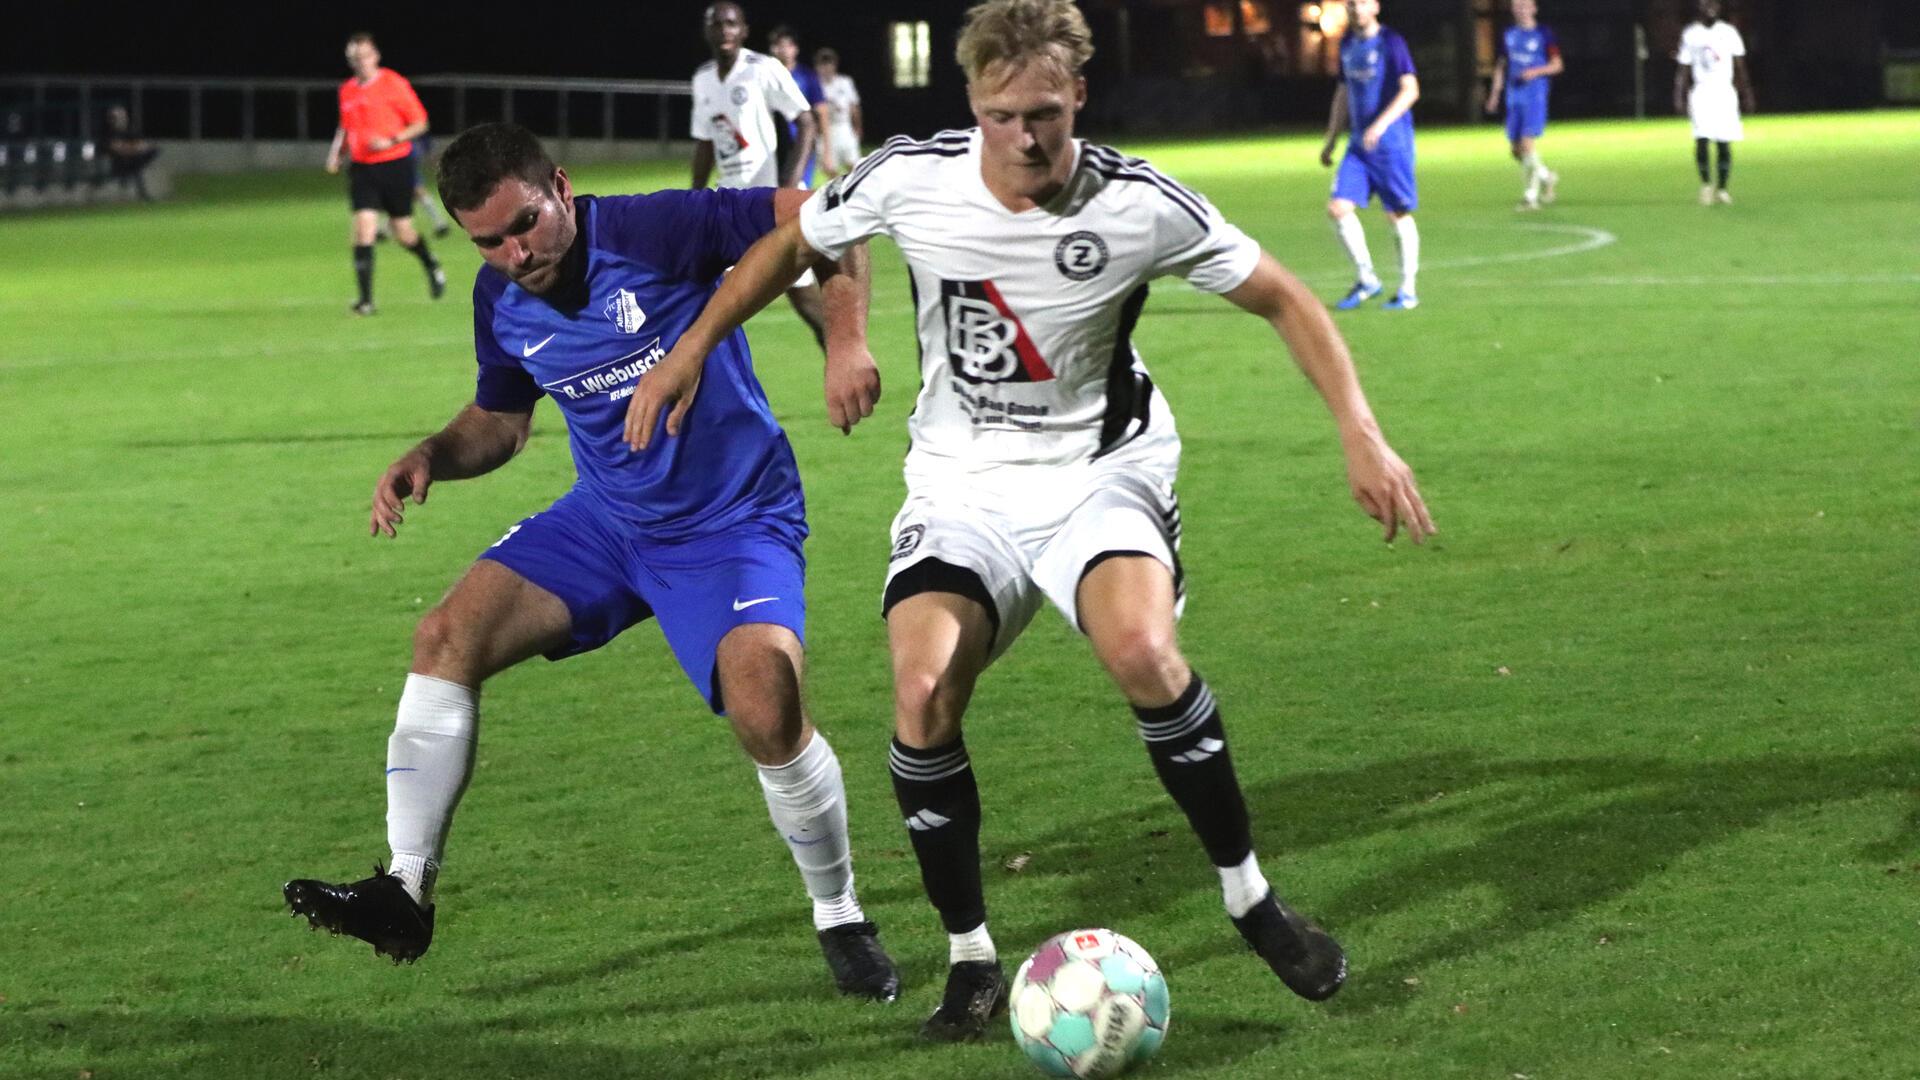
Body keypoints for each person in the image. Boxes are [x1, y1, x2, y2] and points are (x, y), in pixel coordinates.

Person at [625, 0, 1436, 1042]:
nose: (1029, 136)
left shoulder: (1139, 202)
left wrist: (1361, 433)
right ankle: (970, 958)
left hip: (1100, 471)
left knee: (1144, 651)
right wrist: (702, 350)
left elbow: (1284, 295)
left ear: (1077, 97)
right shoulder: (910, 176)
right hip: (961, 483)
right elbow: (794, 243)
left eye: (1048, 111)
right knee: (919, 693)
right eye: (1006, 114)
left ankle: (1251, 900)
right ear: (975, 106)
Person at [281, 122, 901, 1004]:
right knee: (445, 635)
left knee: (767, 706)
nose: (513, 252)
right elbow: (502, 420)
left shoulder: (654, 230)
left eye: (525, 223)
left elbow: (826, 217)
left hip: (732, 521)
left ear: (562, 187)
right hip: (608, 522)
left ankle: (840, 915)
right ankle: (406, 889)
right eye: (487, 241)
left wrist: (845, 342)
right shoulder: (501, 297)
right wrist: (431, 453)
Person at [690, 3, 828, 348]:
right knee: (705, 297)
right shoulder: (703, 79)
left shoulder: (762, 69)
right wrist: (692, 198)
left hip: (766, 202)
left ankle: (849, 370)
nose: (724, 30)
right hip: (727, 203)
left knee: (807, 301)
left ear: (744, 31)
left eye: (732, 24)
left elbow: (806, 122)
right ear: (707, 32)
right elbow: (705, 144)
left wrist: (787, 187)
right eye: (717, 24)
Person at [327, 31, 445, 316]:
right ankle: (366, 301)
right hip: (362, 168)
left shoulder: (394, 84)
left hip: (395, 164)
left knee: (403, 233)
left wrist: (392, 140)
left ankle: (430, 263)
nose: (361, 62)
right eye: (355, 58)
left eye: (365, 56)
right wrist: (335, 153)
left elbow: (420, 123)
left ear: (376, 56)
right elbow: (345, 126)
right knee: (364, 230)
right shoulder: (347, 90)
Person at [1319, 0, 1422, 311]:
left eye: (1361, 3)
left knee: (1397, 214)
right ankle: (1367, 280)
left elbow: (1410, 89)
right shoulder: (1347, 43)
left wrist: (1381, 124)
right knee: (1338, 208)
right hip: (1358, 148)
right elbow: (1343, 93)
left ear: (1375, 7)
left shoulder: (1392, 42)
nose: (1355, 9)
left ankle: (1408, 290)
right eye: (1350, 4)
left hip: (1392, 146)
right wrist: (1331, 139)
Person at [1483, 0, 1563, 211]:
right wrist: (1494, 94)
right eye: (1517, 6)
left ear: (1534, 8)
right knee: (1516, 150)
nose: (1521, 10)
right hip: (1513, 97)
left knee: (1528, 145)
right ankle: (1546, 177)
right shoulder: (1508, 35)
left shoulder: (1544, 34)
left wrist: (1534, 72)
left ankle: (1531, 197)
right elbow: (1500, 66)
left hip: (1535, 95)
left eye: (1525, 6)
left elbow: (1557, 65)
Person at [1675, 0, 1754, 205]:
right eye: (1705, 4)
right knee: (1701, 139)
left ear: (1719, 7)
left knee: (1724, 142)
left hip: (1724, 92)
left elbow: (1740, 67)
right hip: (1701, 92)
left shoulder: (1729, 33)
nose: (1710, 7)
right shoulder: (1691, 34)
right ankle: (1706, 185)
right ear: (1699, 8)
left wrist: (1747, 93)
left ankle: (1722, 188)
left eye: (1713, 4)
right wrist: (1679, 95)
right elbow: (1683, 69)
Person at [768, 25, 830, 188]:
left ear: (795, 48)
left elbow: (821, 110)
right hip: (772, 147)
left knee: (797, 190)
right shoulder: (765, 75)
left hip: (801, 145)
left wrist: (827, 150)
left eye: (786, 45)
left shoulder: (807, 76)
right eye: (777, 45)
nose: (781, 50)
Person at [815, 48, 864, 177]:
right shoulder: (815, 85)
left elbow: (854, 106)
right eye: (822, 64)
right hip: (825, 130)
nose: (826, 67)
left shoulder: (845, 82)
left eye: (829, 63)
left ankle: (854, 190)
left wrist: (857, 126)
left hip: (843, 126)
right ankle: (838, 191)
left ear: (835, 65)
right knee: (829, 167)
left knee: (853, 164)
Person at [99, 105, 160, 201]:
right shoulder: (107, 133)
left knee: (150, 153)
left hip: (131, 160)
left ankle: (140, 192)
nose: (122, 120)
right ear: (111, 119)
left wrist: (131, 148)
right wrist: (132, 148)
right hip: (113, 164)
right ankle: (139, 192)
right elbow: (117, 149)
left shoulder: (130, 131)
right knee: (134, 165)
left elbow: (143, 145)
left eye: (123, 117)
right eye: (118, 117)